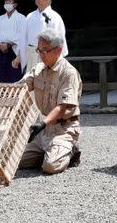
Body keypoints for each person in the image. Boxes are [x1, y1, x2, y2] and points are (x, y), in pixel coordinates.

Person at [18, 28, 81, 174]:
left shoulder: (68, 73)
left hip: (64, 129)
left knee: (51, 167)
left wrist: (42, 123)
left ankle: (70, 150)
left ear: (58, 50)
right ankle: (49, 152)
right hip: (43, 131)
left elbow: (64, 106)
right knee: (16, 161)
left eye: (45, 50)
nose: (41, 55)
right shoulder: (38, 69)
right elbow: (21, 86)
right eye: (39, 50)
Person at [20, 0, 67, 73]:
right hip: (32, 53)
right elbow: (23, 38)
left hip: (48, 53)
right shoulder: (30, 16)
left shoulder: (55, 16)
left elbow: (59, 39)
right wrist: (19, 56)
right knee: (31, 81)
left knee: (47, 81)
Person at [0, 0, 25, 83]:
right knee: (2, 75)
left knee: (15, 75)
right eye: (6, 1)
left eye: (10, 1)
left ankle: (16, 95)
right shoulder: (0, 19)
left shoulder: (22, 18)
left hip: (15, 50)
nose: (7, 2)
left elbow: (22, 34)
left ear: (15, 4)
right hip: (2, 50)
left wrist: (9, 44)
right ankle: (3, 95)